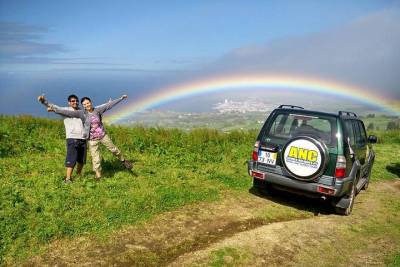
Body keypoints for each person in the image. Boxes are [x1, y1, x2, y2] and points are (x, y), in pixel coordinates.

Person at [43, 95, 133, 180]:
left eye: (88, 103)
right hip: (92, 139)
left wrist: (121, 98)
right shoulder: (81, 113)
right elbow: (66, 112)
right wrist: (54, 109)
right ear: (83, 106)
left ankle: (123, 161)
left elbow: (108, 106)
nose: (87, 105)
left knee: (114, 149)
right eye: (85, 104)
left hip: (103, 136)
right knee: (95, 158)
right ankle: (98, 176)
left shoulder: (97, 110)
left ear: (91, 102)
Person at [37, 94, 87, 183]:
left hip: (83, 138)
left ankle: (78, 175)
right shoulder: (65, 110)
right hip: (72, 138)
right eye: (72, 101)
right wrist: (43, 101)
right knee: (72, 159)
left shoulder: (82, 111)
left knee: (82, 160)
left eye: (76, 100)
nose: (75, 102)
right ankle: (68, 179)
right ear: (69, 102)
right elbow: (54, 107)